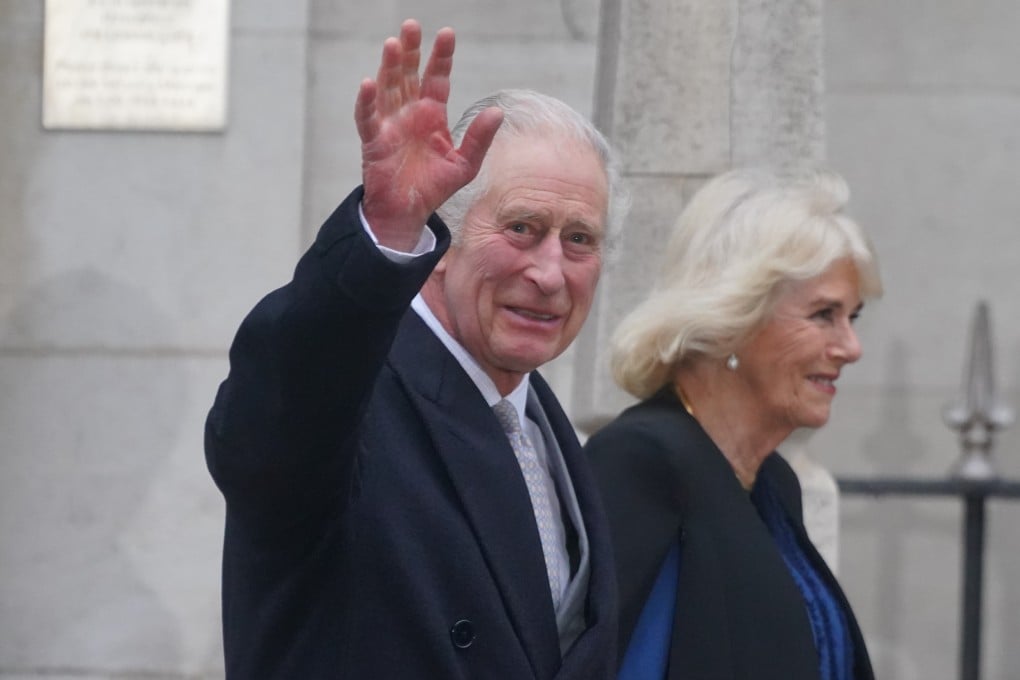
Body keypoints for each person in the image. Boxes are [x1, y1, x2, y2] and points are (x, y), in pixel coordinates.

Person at [204, 18, 625, 679]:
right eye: (522, 228)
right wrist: (384, 237)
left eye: (579, 241)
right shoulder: (354, 401)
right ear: (440, 244)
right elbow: (272, 421)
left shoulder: (538, 420)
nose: (550, 273)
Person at [584, 167, 881, 680]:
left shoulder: (771, 483)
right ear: (734, 318)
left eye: (851, 318)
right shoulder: (643, 462)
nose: (850, 348)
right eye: (823, 315)